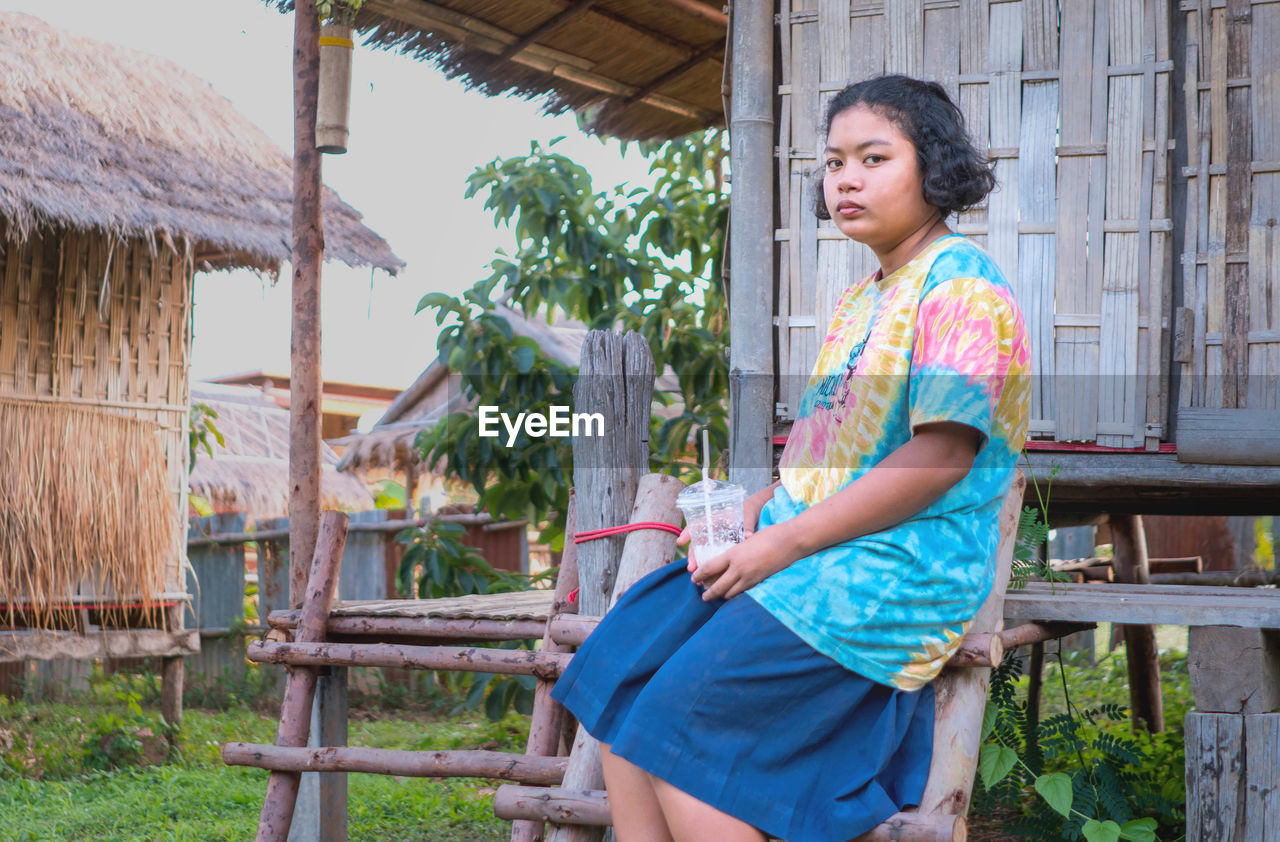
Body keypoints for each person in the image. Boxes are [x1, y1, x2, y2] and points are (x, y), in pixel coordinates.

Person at [551, 74, 1032, 842]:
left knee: (682, 731)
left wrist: (781, 540)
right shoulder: (864, 299)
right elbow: (827, 450)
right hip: (808, 549)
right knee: (623, 668)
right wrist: (758, 510)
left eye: (874, 158)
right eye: (835, 161)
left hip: (891, 570)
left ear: (933, 165)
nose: (847, 178)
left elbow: (939, 455)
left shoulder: (962, 291)